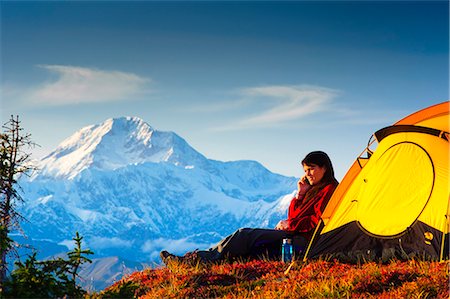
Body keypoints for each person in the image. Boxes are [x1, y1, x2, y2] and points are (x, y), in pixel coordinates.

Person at [160, 151, 339, 265]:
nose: (307, 174)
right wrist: (300, 194)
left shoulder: (330, 190)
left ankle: (197, 259)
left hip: (305, 240)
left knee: (245, 234)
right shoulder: (313, 189)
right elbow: (295, 215)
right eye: (306, 170)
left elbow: (317, 221)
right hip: (295, 235)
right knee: (251, 246)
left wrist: (289, 225)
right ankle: (197, 260)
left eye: (312, 169)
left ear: (324, 168)